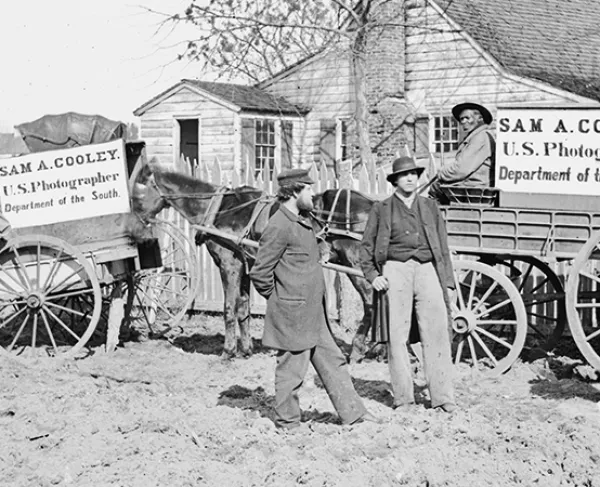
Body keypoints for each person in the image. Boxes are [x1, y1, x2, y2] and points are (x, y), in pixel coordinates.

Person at [249, 168, 379, 430]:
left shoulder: (303, 220)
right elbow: (260, 272)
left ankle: (353, 412)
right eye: (307, 189)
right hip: (293, 312)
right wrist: (281, 300)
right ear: (295, 191)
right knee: (292, 368)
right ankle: (288, 422)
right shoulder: (279, 225)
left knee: (332, 359)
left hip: (313, 310)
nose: (312, 193)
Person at [360, 156, 457, 413]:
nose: (410, 178)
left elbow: (443, 248)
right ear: (395, 181)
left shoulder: (430, 207)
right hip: (395, 270)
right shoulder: (382, 209)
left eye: (414, 174)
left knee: (436, 332)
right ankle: (404, 399)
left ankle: (443, 396)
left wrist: (447, 282)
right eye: (404, 175)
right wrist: (373, 276)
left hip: (427, 270)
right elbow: (366, 248)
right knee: (397, 336)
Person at [430, 102, 495, 201]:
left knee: (435, 189)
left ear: (480, 118)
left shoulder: (480, 137)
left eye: (467, 118)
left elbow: (461, 170)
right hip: (471, 186)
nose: (464, 121)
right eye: (461, 119)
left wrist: (441, 173)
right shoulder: (474, 137)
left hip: (475, 189)